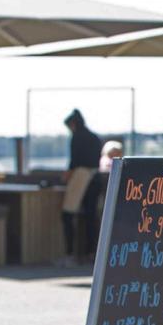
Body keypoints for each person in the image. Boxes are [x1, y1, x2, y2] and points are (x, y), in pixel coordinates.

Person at [59, 109, 102, 266]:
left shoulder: (77, 137)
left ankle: (70, 254)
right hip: (96, 178)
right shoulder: (95, 137)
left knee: (67, 215)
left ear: (73, 124)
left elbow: (74, 161)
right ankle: (92, 253)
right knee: (91, 217)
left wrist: (66, 177)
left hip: (81, 176)